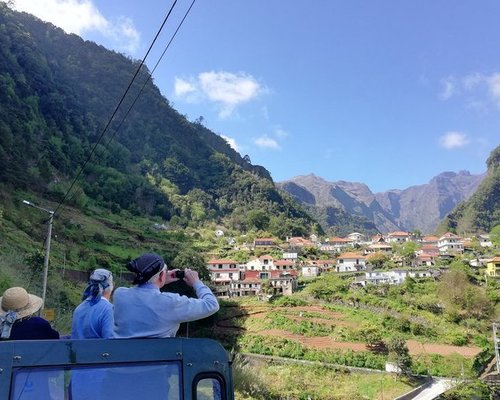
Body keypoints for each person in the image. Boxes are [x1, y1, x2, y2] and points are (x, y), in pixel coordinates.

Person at [113, 252, 219, 338]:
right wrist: (197, 282)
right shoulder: (171, 302)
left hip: (122, 362)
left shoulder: (120, 295)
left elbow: (145, 295)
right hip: (159, 362)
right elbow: (212, 304)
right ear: (161, 275)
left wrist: (161, 280)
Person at [71, 268, 114, 339]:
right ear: (112, 286)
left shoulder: (79, 309)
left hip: (77, 350)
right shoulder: (109, 310)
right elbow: (110, 343)